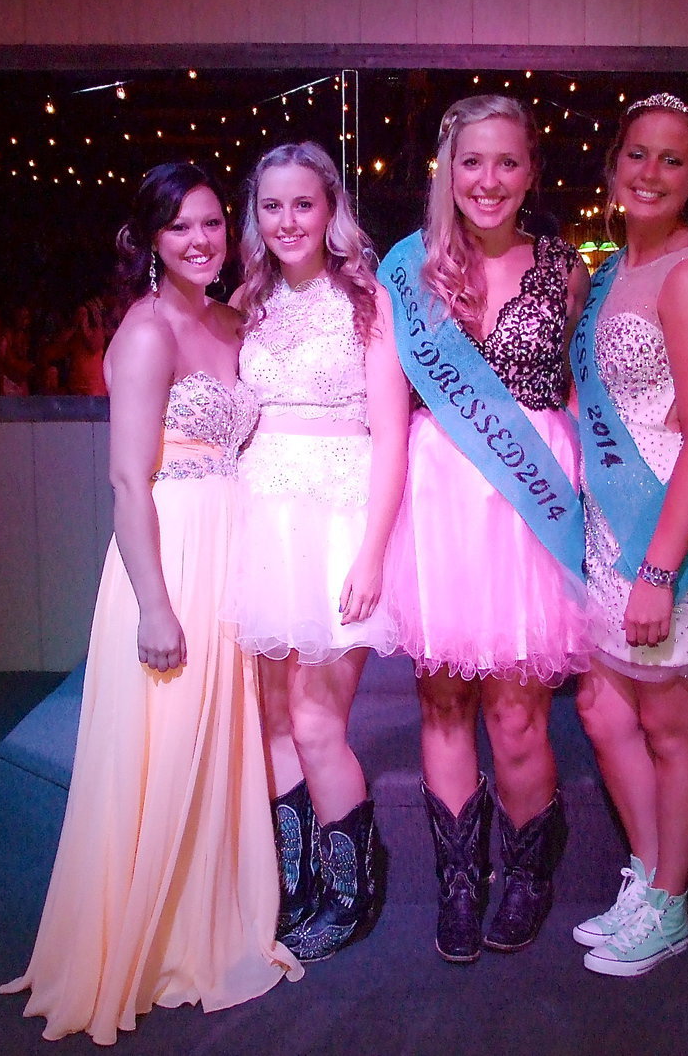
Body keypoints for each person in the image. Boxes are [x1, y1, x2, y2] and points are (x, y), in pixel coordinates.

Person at [0, 163, 302, 1044]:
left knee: (218, 742)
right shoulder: (145, 331)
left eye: (213, 223)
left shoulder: (232, 318)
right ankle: (136, 940)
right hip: (167, 553)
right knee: (161, 745)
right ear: (151, 240)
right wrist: (154, 605)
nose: (203, 240)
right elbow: (129, 480)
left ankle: (206, 922)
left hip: (232, 548)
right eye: (182, 228)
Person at [378, 95, 590, 963]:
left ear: (531, 170)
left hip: (527, 505)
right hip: (439, 505)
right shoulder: (414, 271)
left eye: (507, 162)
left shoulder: (568, 268)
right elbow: (392, 412)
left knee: (515, 714)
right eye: (472, 162)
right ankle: (460, 880)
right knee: (443, 699)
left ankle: (528, 872)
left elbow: (582, 393)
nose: (489, 180)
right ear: (447, 170)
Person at [569, 93, 688, 978]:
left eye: (671, 160)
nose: (649, 173)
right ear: (612, 168)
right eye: (636, 155)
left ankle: (670, 903)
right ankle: (648, 877)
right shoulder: (611, 273)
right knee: (604, 708)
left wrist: (659, 567)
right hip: (613, 527)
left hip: (671, 535)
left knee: (671, 723)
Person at [224, 141, 408, 964]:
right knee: (267, 719)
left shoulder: (368, 300)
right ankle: (292, 881)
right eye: (272, 206)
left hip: (336, 520)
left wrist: (371, 554)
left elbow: (393, 437)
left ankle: (353, 885)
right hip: (261, 519)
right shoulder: (248, 300)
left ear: (330, 208)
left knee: (315, 718)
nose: (288, 220)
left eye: (304, 203)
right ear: (255, 217)